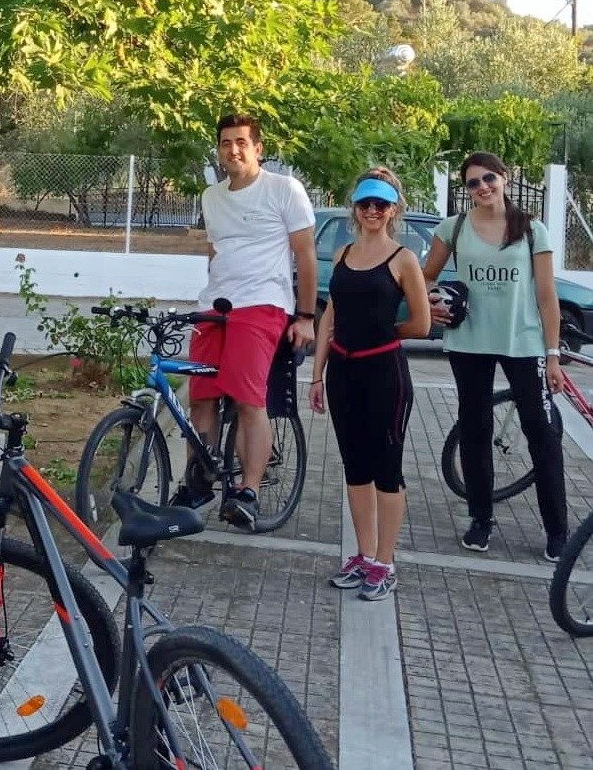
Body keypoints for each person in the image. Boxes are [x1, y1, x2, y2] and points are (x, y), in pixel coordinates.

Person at [172, 113, 317, 529]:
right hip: (215, 307)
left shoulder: (283, 189)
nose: (232, 149)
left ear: (258, 148)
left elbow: (305, 255)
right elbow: (216, 252)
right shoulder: (211, 197)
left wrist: (306, 317)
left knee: (248, 399)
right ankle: (198, 481)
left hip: (262, 303)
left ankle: (248, 491)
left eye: (240, 142)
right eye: (225, 143)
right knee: (201, 397)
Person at [422, 152, 569, 560]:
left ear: (504, 177)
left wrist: (552, 354)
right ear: (467, 190)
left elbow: (546, 296)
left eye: (489, 178)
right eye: (473, 183)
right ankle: (481, 520)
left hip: (524, 343)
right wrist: (431, 301)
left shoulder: (532, 229)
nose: (483, 187)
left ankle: (558, 530)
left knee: (542, 432)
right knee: (474, 429)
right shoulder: (454, 228)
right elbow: (425, 277)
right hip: (469, 342)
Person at [309, 170, 430, 600]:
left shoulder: (403, 259)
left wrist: (384, 332)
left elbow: (422, 323)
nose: (373, 211)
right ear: (355, 208)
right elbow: (331, 316)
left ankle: (384, 561)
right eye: (365, 204)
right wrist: (317, 373)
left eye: (381, 204)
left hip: (385, 375)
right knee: (355, 467)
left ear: (393, 210)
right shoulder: (342, 253)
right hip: (343, 373)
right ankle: (363, 555)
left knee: (386, 470)